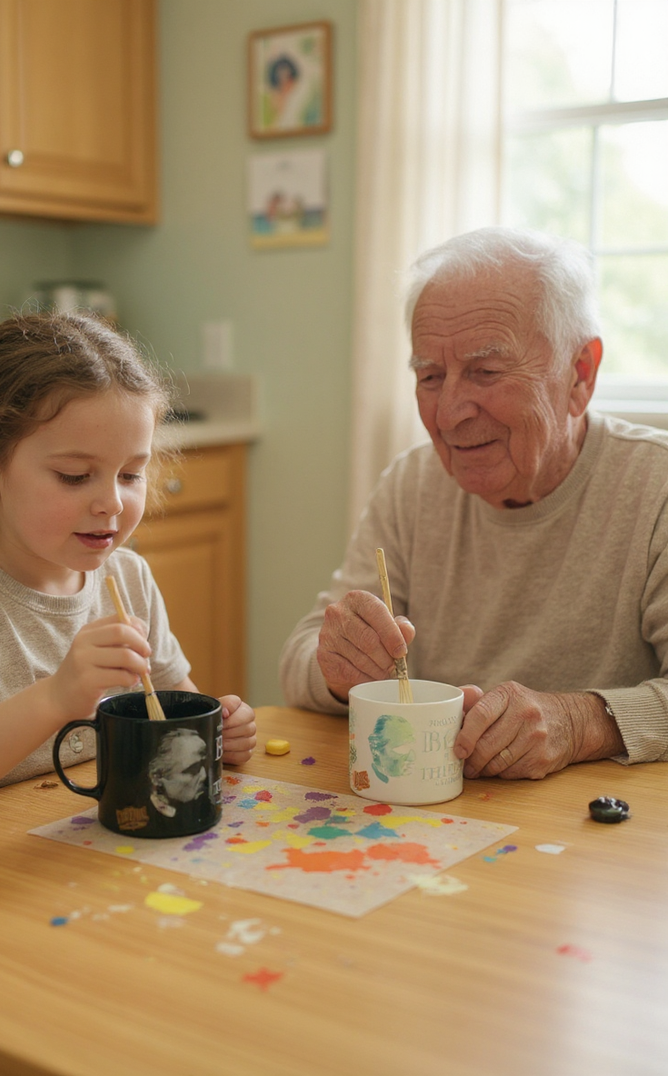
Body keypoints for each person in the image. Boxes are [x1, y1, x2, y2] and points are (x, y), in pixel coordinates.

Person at [280, 226, 668, 779]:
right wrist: (338, 669)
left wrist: (584, 721)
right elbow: (298, 660)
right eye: (431, 376)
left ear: (580, 375)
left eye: (486, 372)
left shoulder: (656, 487)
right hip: (435, 820)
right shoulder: (411, 485)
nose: (450, 412)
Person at [0, 311, 257, 832]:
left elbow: (171, 712)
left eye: (130, 474)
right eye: (75, 476)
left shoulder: (129, 580)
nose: (112, 503)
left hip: (50, 850)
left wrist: (214, 734)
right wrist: (56, 697)